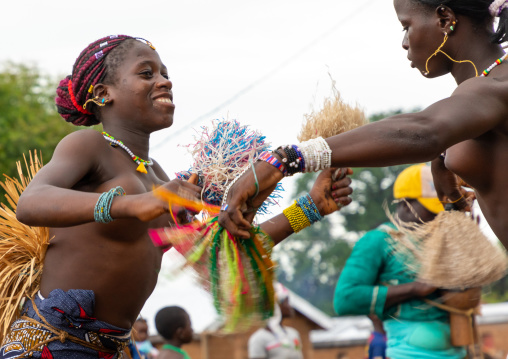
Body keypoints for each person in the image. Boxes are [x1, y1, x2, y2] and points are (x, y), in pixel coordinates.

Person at [0, 34, 354, 359]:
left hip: (115, 350)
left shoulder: (158, 176)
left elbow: (221, 255)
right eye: (146, 73)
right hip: (54, 342)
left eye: (165, 73)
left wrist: (309, 209)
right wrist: (134, 204)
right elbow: (30, 204)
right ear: (104, 93)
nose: (164, 81)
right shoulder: (89, 145)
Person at [218, 0, 508, 253]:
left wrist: (283, 160)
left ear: (444, 19)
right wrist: (455, 203)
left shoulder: (497, 85)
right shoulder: (475, 99)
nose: (405, 42)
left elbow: (424, 131)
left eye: (406, 26)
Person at [334, 164, 466, 358]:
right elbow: (345, 299)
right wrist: (415, 288)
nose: (439, 216)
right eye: (431, 209)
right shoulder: (378, 241)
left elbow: (467, 300)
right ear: (405, 205)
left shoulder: (443, 243)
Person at [248, 283, 303, 359]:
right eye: (286, 302)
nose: (290, 306)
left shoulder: (293, 334)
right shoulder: (259, 339)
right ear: (276, 306)